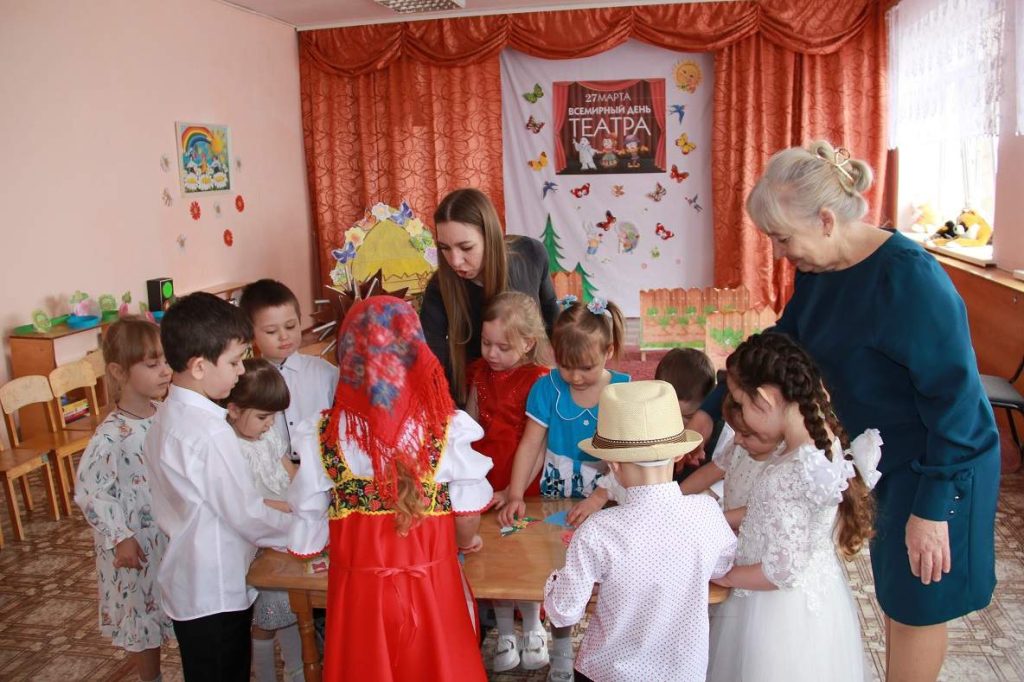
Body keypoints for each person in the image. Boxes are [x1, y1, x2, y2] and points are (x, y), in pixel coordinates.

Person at [690, 140, 1000, 681]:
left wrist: (932, 509)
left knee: (917, 601)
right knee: (897, 590)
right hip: (882, 457)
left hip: (940, 460)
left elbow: (957, 404)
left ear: (827, 220)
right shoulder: (821, 271)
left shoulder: (909, 279)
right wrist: (713, 410)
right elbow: (782, 344)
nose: (780, 252)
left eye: (783, 238)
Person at [287, 296, 492, 682]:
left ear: (348, 358)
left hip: (359, 599)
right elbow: (467, 517)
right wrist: (467, 542)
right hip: (432, 591)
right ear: (417, 354)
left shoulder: (323, 435)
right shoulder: (446, 430)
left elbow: (309, 533)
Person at [707, 332, 881, 681]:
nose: (739, 416)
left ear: (766, 399)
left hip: (774, 616)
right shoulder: (820, 444)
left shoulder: (789, 471)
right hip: (816, 604)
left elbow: (780, 571)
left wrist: (722, 575)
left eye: (741, 403)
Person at [142, 293, 293, 681]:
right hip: (216, 587)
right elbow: (246, 515)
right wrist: (304, 530)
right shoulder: (209, 432)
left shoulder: (166, 417)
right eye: (234, 361)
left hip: (190, 581)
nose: (241, 371)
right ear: (198, 366)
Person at [544, 380, 734, 682]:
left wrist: (556, 583)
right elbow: (722, 566)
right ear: (677, 454)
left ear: (613, 465)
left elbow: (564, 611)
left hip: (608, 672)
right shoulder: (706, 513)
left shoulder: (598, 530)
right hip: (681, 673)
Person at [498, 295, 629, 682]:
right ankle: (560, 649)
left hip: (606, 503)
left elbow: (629, 459)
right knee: (558, 575)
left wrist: (600, 497)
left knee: (606, 580)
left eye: (586, 367)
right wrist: (516, 493)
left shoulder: (623, 391)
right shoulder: (546, 388)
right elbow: (530, 445)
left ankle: (609, 648)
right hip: (555, 502)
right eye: (565, 365)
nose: (574, 377)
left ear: (609, 351)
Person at [74, 319, 173, 682]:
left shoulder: (165, 414)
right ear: (119, 371)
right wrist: (121, 536)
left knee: (168, 605)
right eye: (152, 364)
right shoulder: (110, 435)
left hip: (166, 536)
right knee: (141, 614)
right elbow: (91, 493)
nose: (165, 371)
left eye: (165, 361)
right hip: (134, 548)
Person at [464, 291, 552, 672]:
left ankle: (532, 627)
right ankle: (504, 632)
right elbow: (469, 423)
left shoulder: (539, 380)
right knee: (493, 555)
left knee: (523, 554)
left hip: (521, 480)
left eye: (503, 346)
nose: (492, 353)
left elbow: (538, 444)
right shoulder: (478, 373)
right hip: (485, 477)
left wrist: (514, 489)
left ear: (528, 343)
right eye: (486, 343)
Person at [420, 187, 559, 405]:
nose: (454, 261)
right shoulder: (439, 288)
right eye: (444, 248)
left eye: (466, 247)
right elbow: (431, 359)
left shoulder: (531, 254)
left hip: (535, 392)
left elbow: (552, 314)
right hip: (477, 398)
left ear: (490, 237)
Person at [224, 359, 304, 682]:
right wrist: (288, 507)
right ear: (233, 410)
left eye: (273, 416)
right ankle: (267, 674)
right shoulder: (230, 448)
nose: (270, 424)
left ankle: (297, 668)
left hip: (285, 531)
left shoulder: (267, 436)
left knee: (291, 605)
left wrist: (305, 493)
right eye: (262, 417)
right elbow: (248, 503)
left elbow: (288, 469)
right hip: (258, 542)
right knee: (266, 616)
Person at [240, 279, 338, 461]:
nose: (284, 336)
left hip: (321, 466)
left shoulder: (325, 372)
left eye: (290, 326)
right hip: (275, 468)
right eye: (271, 331)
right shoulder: (247, 380)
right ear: (251, 335)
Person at [680, 394, 781, 528]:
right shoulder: (742, 446)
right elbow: (711, 471)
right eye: (735, 431)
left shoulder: (782, 463)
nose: (736, 439)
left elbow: (761, 511)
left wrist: (712, 521)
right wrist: (675, 496)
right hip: (725, 522)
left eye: (745, 433)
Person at [653, 348, 717, 477]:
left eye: (689, 416)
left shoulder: (722, 433)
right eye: (671, 414)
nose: (679, 423)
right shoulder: (652, 417)